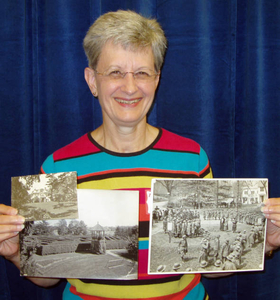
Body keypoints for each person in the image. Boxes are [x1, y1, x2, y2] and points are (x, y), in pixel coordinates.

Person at [0, 9, 280, 300]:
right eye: (116, 72)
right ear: (92, 80)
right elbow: (47, 277)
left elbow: (210, 267)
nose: (130, 87)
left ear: (156, 80)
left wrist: (265, 242)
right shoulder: (57, 167)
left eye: (142, 73)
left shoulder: (191, 159)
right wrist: (15, 254)